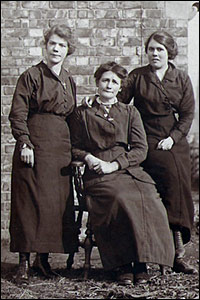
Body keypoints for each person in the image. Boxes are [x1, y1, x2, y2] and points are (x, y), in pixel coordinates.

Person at [69, 61, 175, 286]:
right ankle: (122, 264)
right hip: (98, 172)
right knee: (120, 198)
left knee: (148, 196)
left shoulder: (129, 111)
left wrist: (116, 165)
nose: (109, 85)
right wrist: (89, 158)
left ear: (120, 88)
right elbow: (73, 145)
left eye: (114, 82)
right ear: (97, 83)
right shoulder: (83, 112)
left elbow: (140, 148)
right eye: (105, 80)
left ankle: (142, 263)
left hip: (126, 169)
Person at [117, 31, 198, 274]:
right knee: (153, 184)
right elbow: (120, 101)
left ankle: (177, 253)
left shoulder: (181, 78)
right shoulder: (137, 77)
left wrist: (173, 139)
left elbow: (186, 115)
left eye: (160, 49)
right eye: (151, 49)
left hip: (172, 139)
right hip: (144, 136)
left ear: (169, 52)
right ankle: (150, 250)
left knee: (177, 182)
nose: (154, 53)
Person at [9, 24, 79, 284]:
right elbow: (18, 113)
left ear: (68, 49)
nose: (57, 49)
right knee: (28, 204)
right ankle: (23, 265)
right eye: (53, 44)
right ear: (45, 46)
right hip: (34, 147)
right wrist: (25, 143)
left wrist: (75, 153)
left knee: (53, 206)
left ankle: (43, 260)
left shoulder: (69, 80)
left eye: (62, 45)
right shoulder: (30, 76)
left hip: (59, 151)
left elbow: (72, 118)